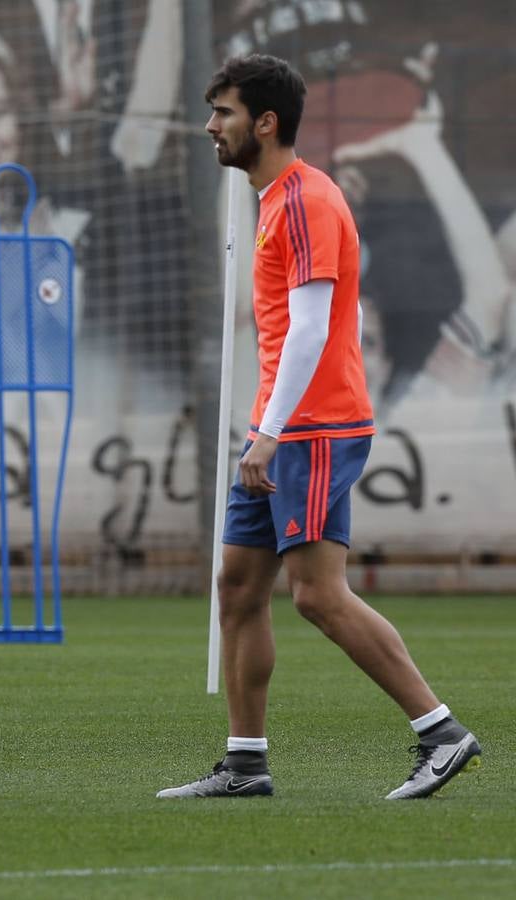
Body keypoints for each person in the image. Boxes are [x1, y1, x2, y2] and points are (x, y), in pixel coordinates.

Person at [157, 55, 480, 800]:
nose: (211, 125)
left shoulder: (304, 200)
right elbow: (317, 324)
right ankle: (245, 764)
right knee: (237, 588)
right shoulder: (275, 199)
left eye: (224, 112)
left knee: (315, 595)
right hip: (282, 424)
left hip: (311, 428)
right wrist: (266, 426)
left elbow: (309, 329)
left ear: (265, 123)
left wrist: (269, 430)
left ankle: (441, 731)